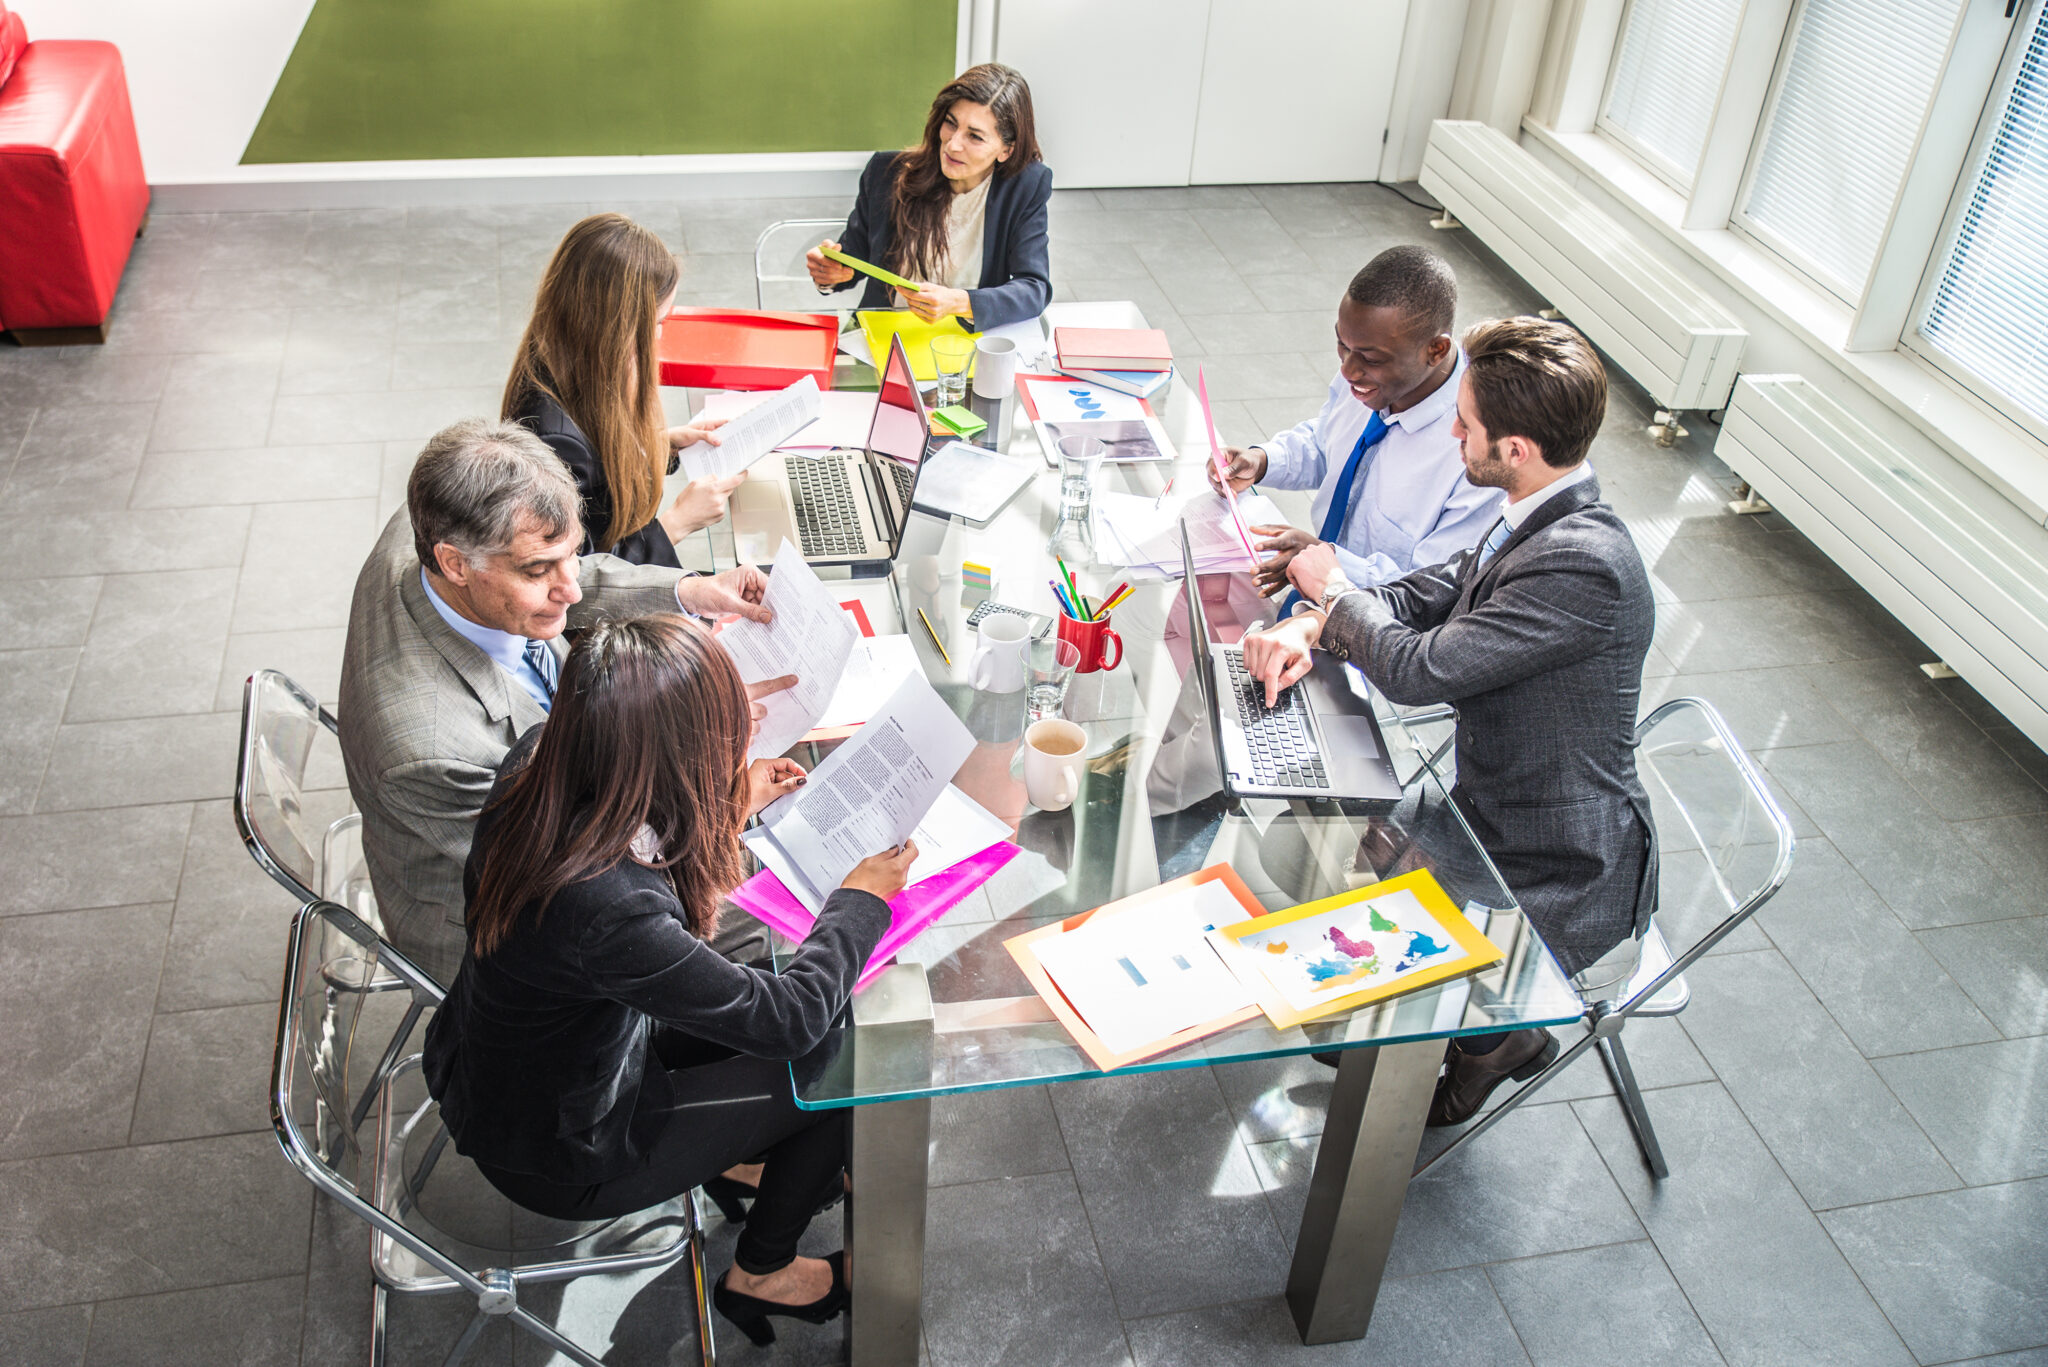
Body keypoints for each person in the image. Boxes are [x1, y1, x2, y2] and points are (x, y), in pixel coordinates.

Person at [422, 615, 918, 1346]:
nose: (740, 745)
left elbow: (646, 855)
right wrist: (861, 899)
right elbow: (791, 1016)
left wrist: (727, 805)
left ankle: (744, 1165)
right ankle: (763, 1271)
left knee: (816, 1029)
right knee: (846, 1066)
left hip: (518, 1062)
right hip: (562, 1145)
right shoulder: (604, 909)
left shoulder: (542, 763)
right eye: (722, 738)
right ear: (667, 759)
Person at [1242, 316, 1657, 1126]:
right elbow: (1435, 591)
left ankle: (1463, 1040)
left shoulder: (1584, 567)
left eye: (1466, 426)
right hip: (1488, 810)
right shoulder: (1539, 513)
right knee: (1301, 843)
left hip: (1551, 864)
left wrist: (1331, 595)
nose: (1454, 434)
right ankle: (1438, 1035)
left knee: (1333, 970)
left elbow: (1419, 670)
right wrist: (1312, 625)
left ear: (1517, 448)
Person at [338, 418, 792, 985]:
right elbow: (582, 869)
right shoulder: (433, 749)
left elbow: (556, 568)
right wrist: (714, 772)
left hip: (556, 823)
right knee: (772, 930)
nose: (571, 589)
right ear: (454, 563)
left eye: (571, 555)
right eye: (536, 571)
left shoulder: (441, 517)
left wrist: (688, 591)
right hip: (507, 937)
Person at [1207, 246, 1501, 602]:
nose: (1347, 370)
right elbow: (1326, 441)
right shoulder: (1366, 371)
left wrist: (1328, 564)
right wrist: (1264, 460)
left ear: (1436, 350)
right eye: (1341, 345)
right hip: (1310, 595)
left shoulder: (1480, 448)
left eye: (1369, 357)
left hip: (1382, 625)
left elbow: (1433, 588)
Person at [505, 212, 742, 568]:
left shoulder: (563, 358)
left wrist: (660, 445)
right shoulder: (556, 440)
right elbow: (574, 576)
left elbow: (598, 466)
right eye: (657, 322)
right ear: (618, 324)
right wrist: (677, 523)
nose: (659, 335)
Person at [805, 64, 1050, 329]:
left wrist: (959, 302)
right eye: (950, 124)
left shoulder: (1026, 186)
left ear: (1006, 150)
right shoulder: (885, 173)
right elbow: (853, 259)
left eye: (975, 137)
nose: (953, 145)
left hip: (966, 338)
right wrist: (831, 273)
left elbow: (1034, 288)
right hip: (883, 334)